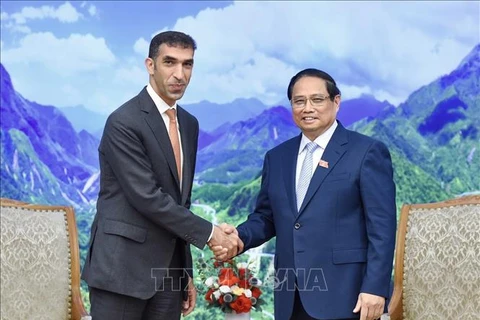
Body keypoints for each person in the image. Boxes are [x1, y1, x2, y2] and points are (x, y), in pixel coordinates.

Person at [81, 31, 241, 320]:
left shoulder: (189, 124)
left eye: (188, 64)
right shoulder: (123, 122)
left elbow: (181, 203)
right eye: (170, 62)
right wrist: (211, 233)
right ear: (150, 65)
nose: (180, 74)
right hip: (121, 271)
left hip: (168, 275)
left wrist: (185, 273)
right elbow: (147, 197)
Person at [216, 68, 396, 320]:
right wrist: (239, 237)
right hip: (291, 296)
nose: (307, 108)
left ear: (336, 102)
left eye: (317, 100)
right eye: (299, 101)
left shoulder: (366, 152)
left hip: (349, 297)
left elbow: (383, 227)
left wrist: (375, 288)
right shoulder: (277, 158)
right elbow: (267, 217)